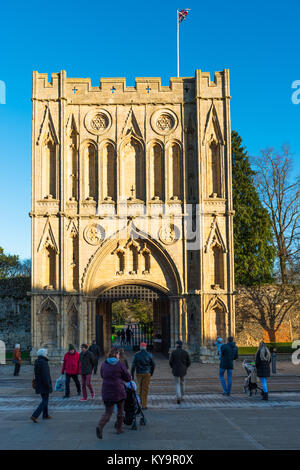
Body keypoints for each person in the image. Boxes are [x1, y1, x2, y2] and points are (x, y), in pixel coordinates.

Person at [96, 348, 131, 439]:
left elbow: (102, 375)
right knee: (120, 410)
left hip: (107, 390)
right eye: (118, 354)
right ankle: (119, 429)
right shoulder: (120, 364)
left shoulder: (104, 364)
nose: (119, 356)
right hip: (118, 390)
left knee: (108, 412)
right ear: (116, 355)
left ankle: (100, 426)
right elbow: (127, 377)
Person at [131, 342, 155, 410]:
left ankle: (138, 404)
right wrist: (151, 373)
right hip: (147, 373)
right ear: (146, 347)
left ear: (140, 347)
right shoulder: (149, 354)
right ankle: (144, 405)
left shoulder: (136, 355)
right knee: (145, 389)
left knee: (139, 388)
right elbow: (153, 364)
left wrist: (132, 375)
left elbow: (133, 366)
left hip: (139, 373)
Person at [31, 349, 53, 422]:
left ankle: (45, 415)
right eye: (46, 353)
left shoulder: (37, 361)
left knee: (45, 399)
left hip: (39, 383)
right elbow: (45, 375)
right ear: (43, 354)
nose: (47, 354)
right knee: (45, 401)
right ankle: (35, 415)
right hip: (44, 384)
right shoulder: (44, 363)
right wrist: (48, 385)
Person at [169, 340, 191, 404]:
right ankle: (182, 396)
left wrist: (172, 367)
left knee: (177, 383)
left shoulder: (174, 352)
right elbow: (189, 362)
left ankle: (178, 396)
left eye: (176, 344)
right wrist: (185, 367)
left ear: (177, 345)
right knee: (182, 383)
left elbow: (170, 362)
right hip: (183, 370)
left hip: (176, 370)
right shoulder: (185, 352)